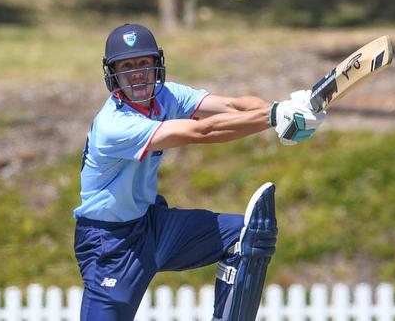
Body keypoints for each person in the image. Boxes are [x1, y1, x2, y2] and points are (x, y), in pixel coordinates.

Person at [74, 23, 325, 321]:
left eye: (144, 63)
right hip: (110, 245)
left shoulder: (166, 96)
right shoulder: (114, 125)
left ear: (157, 66)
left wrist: (284, 109)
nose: (137, 73)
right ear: (112, 74)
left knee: (249, 235)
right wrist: (272, 117)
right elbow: (202, 131)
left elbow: (232, 105)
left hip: (152, 226)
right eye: (127, 66)